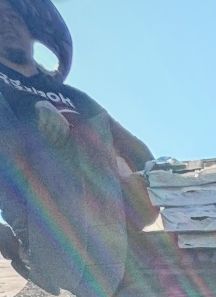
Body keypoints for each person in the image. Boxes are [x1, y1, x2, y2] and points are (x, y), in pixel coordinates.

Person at [0, 0, 153, 277]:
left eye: (13, 17)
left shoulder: (75, 97)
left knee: (113, 142)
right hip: (47, 223)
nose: (6, 24)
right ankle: (31, 241)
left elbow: (137, 153)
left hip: (106, 210)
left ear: (31, 29)